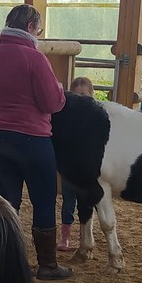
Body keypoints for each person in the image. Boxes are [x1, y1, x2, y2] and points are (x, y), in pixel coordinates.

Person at [0, 4, 73, 281]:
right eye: (39, 29)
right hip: (32, 138)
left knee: (8, 199)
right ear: (31, 27)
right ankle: (47, 265)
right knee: (43, 199)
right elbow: (52, 102)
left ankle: (7, 261)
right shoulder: (36, 59)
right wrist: (59, 91)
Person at [58, 76, 95, 252]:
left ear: (91, 95)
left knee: (90, 201)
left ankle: (86, 235)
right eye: (76, 95)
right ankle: (65, 236)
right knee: (68, 201)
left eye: (83, 95)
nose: (80, 99)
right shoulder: (67, 119)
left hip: (88, 168)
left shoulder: (97, 118)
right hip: (71, 167)